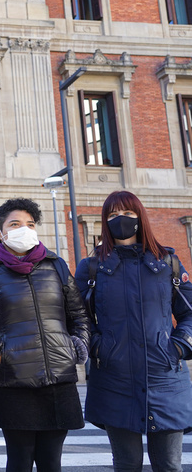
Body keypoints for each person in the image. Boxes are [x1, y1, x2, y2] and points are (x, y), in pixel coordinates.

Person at [75, 191, 192, 472]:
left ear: (140, 217)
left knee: (169, 466)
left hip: (164, 378)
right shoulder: (91, 268)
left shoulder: (168, 263)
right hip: (115, 379)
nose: (121, 220)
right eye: (113, 215)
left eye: (128, 213)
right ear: (105, 221)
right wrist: (99, 347)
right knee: (126, 465)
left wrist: (178, 347)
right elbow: (78, 318)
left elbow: (189, 313)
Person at [0, 198, 90, 472]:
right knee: (20, 461)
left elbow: (79, 315)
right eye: (15, 224)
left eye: (29, 224)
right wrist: (0, 352)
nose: (24, 229)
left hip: (58, 379)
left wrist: (77, 345)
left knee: (52, 463)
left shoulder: (57, 266)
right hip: (12, 381)